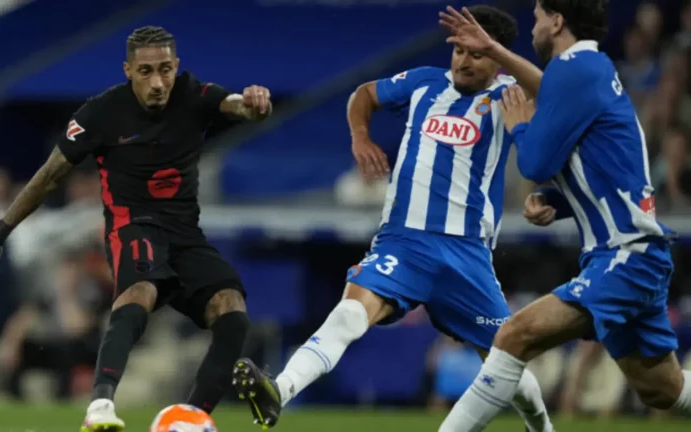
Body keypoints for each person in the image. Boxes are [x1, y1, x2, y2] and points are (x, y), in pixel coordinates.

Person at [231, 6, 554, 432]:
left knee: (507, 366)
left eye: (475, 54)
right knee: (349, 313)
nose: (461, 61)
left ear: (496, 57)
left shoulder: (508, 94)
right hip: (403, 243)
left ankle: (543, 428)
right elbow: (364, 94)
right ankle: (280, 391)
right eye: (458, 50)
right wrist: (360, 136)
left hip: (466, 256)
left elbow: (550, 90)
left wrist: (493, 48)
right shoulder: (424, 82)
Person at [0, 26, 273, 432]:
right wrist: (0, 230)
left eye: (165, 69)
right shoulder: (101, 113)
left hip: (185, 234)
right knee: (139, 293)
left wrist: (256, 102)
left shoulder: (193, 94)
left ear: (176, 66)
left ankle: (192, 418)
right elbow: (51, 174)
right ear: (128, 70)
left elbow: (239, 106)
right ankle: (99, 406)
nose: (158, 81)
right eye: (146, 71)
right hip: (133, 227)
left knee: (232, 310)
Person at [436, 2, 691, 431]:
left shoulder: (576, 68)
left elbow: (534, 162)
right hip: (635, 255)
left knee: (514, 335)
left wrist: (519, 124)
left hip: (625, 258)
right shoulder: (590, 69)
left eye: (537, 16)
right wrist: (562, 200)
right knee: (661, 390)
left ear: (556, 22)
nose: (533, 26)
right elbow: (613, 170)